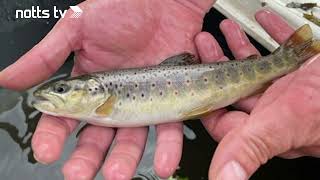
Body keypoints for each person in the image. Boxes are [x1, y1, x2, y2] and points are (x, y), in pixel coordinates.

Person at [0, 0, 319, 180]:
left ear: (93, 90)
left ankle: (290, 58)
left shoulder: (104, 105)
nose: (49, 96)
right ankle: (291, 57)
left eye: (64, 90)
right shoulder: (98, 106)